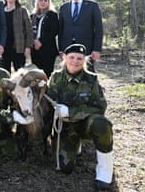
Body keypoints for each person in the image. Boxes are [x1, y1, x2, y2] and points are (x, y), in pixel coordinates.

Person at [46, 43, 113, 190]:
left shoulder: (91, 79)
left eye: (79, 58)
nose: (75, 61)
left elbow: (100, 107)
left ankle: (105, 170)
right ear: (64, 58)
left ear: (85, 60)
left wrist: (71, 112)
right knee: (65, 168)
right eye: (71, 57)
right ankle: (76, 144)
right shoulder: (56, 77)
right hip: (65, 127)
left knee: (102, 123)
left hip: (85, 124)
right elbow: (48, 102)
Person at [58, 0, 103, 71]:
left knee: (88, 75)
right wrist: (61, 50)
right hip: (68, 48)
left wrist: (97, 49)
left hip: (87, 49)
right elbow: (61, 30)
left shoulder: (92, 5)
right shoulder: (63, 7)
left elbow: (99, 29)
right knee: (68, 74)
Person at [1, 0, 32, 72]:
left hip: (19, 47)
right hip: (3, 47)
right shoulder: (0, 10)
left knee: (20, 73)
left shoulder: (22, 10)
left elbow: (29, 30)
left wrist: (28, 47)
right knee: (4, 72)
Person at [30, 0, 59, 78]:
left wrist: (40, 41)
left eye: (45, 0)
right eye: (41, 0)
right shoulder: (32, 16)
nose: (43, 2)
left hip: (48, 49)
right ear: (37, 2)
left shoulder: (52, 15)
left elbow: (54, 31)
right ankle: (38, 91)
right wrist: (34, 42)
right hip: (35, 49)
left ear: (48, 3)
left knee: (47, 73)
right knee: (36, 74)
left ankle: (46, 90)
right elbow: (28, 31)